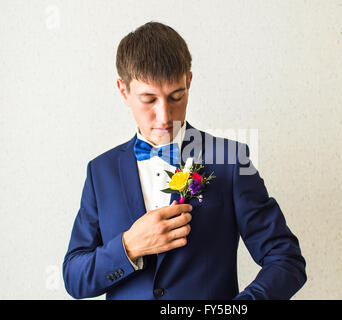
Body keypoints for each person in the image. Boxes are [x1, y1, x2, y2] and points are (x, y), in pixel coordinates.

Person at [62, 21, 307, 300]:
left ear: (189, 82)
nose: (165, 116)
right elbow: (75, 278)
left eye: (176, 96)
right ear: (123, 91)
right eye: (149, 99)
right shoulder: (100, 172)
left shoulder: (230, 161)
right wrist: (129, 247)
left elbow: (286, 260)